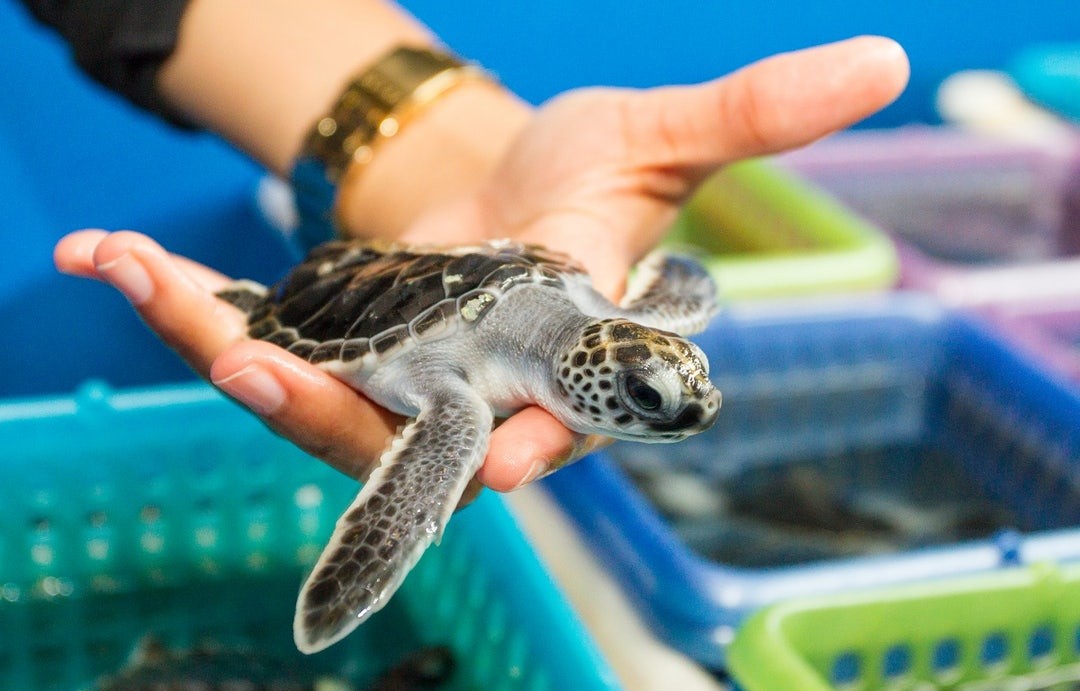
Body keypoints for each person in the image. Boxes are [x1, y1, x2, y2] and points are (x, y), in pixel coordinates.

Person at [35, 0, 909, 494]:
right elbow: (680, 284)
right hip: (337, 307)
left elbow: (672, 296)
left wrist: (452, 152)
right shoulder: (459, 405)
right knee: (437, 477)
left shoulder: (601, 309)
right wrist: (382, 536)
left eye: (677, 389)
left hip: (430, 251)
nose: (688, 408)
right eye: (646, 397)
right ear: (590, 382)